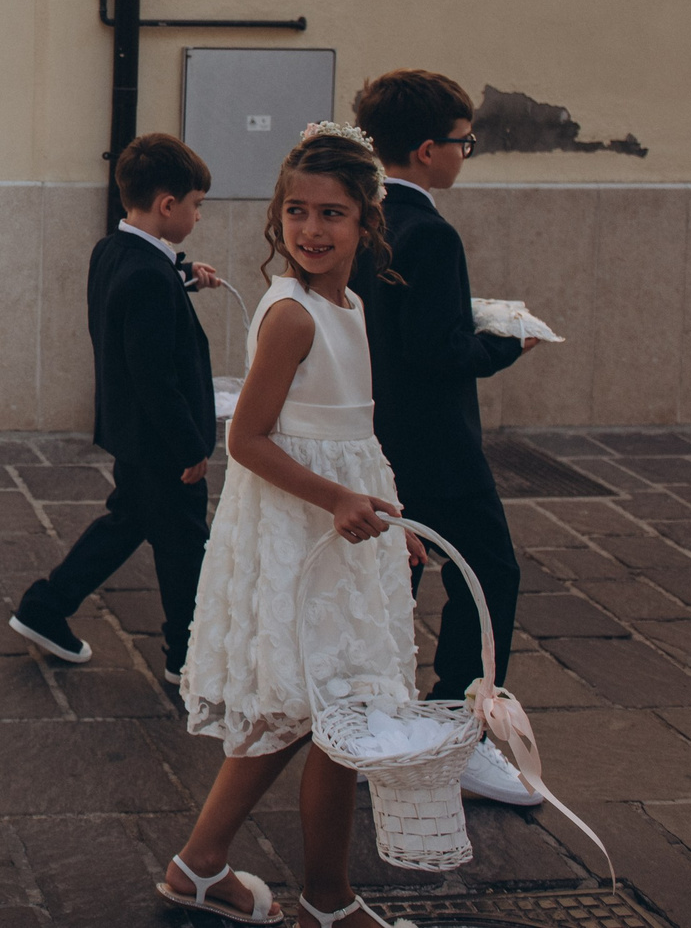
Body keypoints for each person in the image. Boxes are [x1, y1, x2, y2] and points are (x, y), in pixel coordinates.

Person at [160, 126, 420, 928]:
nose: (311, 229)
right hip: (298, 528)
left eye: (332, 214)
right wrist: (338, 500)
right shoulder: (294, 316)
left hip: (339, 523)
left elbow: (353, 435)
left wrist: (388, 509)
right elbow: (245, 439)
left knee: (299, 709)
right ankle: (328, 902)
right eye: (297, 211)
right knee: (329, 713)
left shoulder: (352, 306)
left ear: (367, 218)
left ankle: (198, 866)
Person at [349, 68, 540, 809]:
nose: (468, 153)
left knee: (393, 588)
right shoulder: (430, 230)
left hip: (377, 436)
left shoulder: (361, 215)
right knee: (490, 579)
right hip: (437, 446)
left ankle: (380, 723)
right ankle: (459, 732)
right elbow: (440, 351)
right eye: (464, 142)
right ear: (427, 149)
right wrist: (508, 342)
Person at [7, 134, 218, 682]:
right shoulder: (150, 275)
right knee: (184, 547)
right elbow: (154, 374)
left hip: (132, 433)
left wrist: (184, 276)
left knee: (129, 522)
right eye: (196, 205)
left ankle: (45, 607)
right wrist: (191, 445)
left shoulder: (116, 250)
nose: (198, 217)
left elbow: (141, 297)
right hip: (161, 440)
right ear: (168, 205)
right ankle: (185, 658)